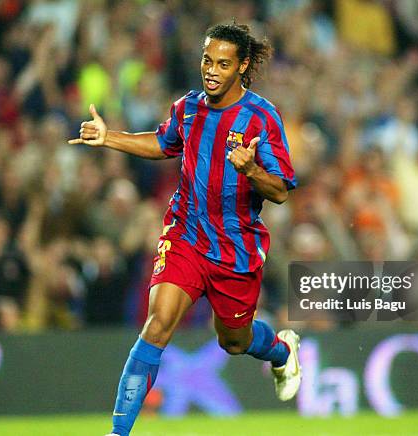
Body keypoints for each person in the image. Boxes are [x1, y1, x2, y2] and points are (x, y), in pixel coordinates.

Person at [69, 22, 301, 436]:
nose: (211, 70)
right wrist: (110, 138)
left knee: (233, 340)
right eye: (207, 60)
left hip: (235, 249)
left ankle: (281, 350)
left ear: (242, 66)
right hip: (186, 235)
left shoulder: (262, 117)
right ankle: (117, 432)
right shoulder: (188, 107)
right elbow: (162, 143)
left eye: (223, 63)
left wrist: (251, 169)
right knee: (157, 323)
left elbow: (281, 190)